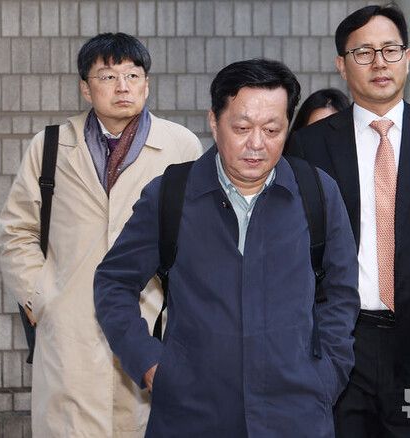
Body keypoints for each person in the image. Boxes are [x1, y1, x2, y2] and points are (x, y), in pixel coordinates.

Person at [93, 59, 360, 437]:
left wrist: (327, 375)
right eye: (242, 128)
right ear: (214, 122)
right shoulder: (171, 195)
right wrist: (150, 363)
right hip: (191, 415)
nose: (257, 144)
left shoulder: (318, 193)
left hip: (295, 415)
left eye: (272, 129)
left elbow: (341, 293)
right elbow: (113, 282)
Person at [286, 5, 410, 437]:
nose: (379, 62)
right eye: (363, 52)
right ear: (342, 65)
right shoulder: (309, 145)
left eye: (390, 49)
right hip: (338, 341)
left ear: (407, 58)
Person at [0, 33, 202, 437]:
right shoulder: (51, 145)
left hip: (150, 321)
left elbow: (200, 237)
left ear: (147, 84)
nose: (123, 86)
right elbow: (17, 229)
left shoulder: (181, 146)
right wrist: (42, 297)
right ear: (85, 88)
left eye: (133, 75)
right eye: (108, 76)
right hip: (70, 328)